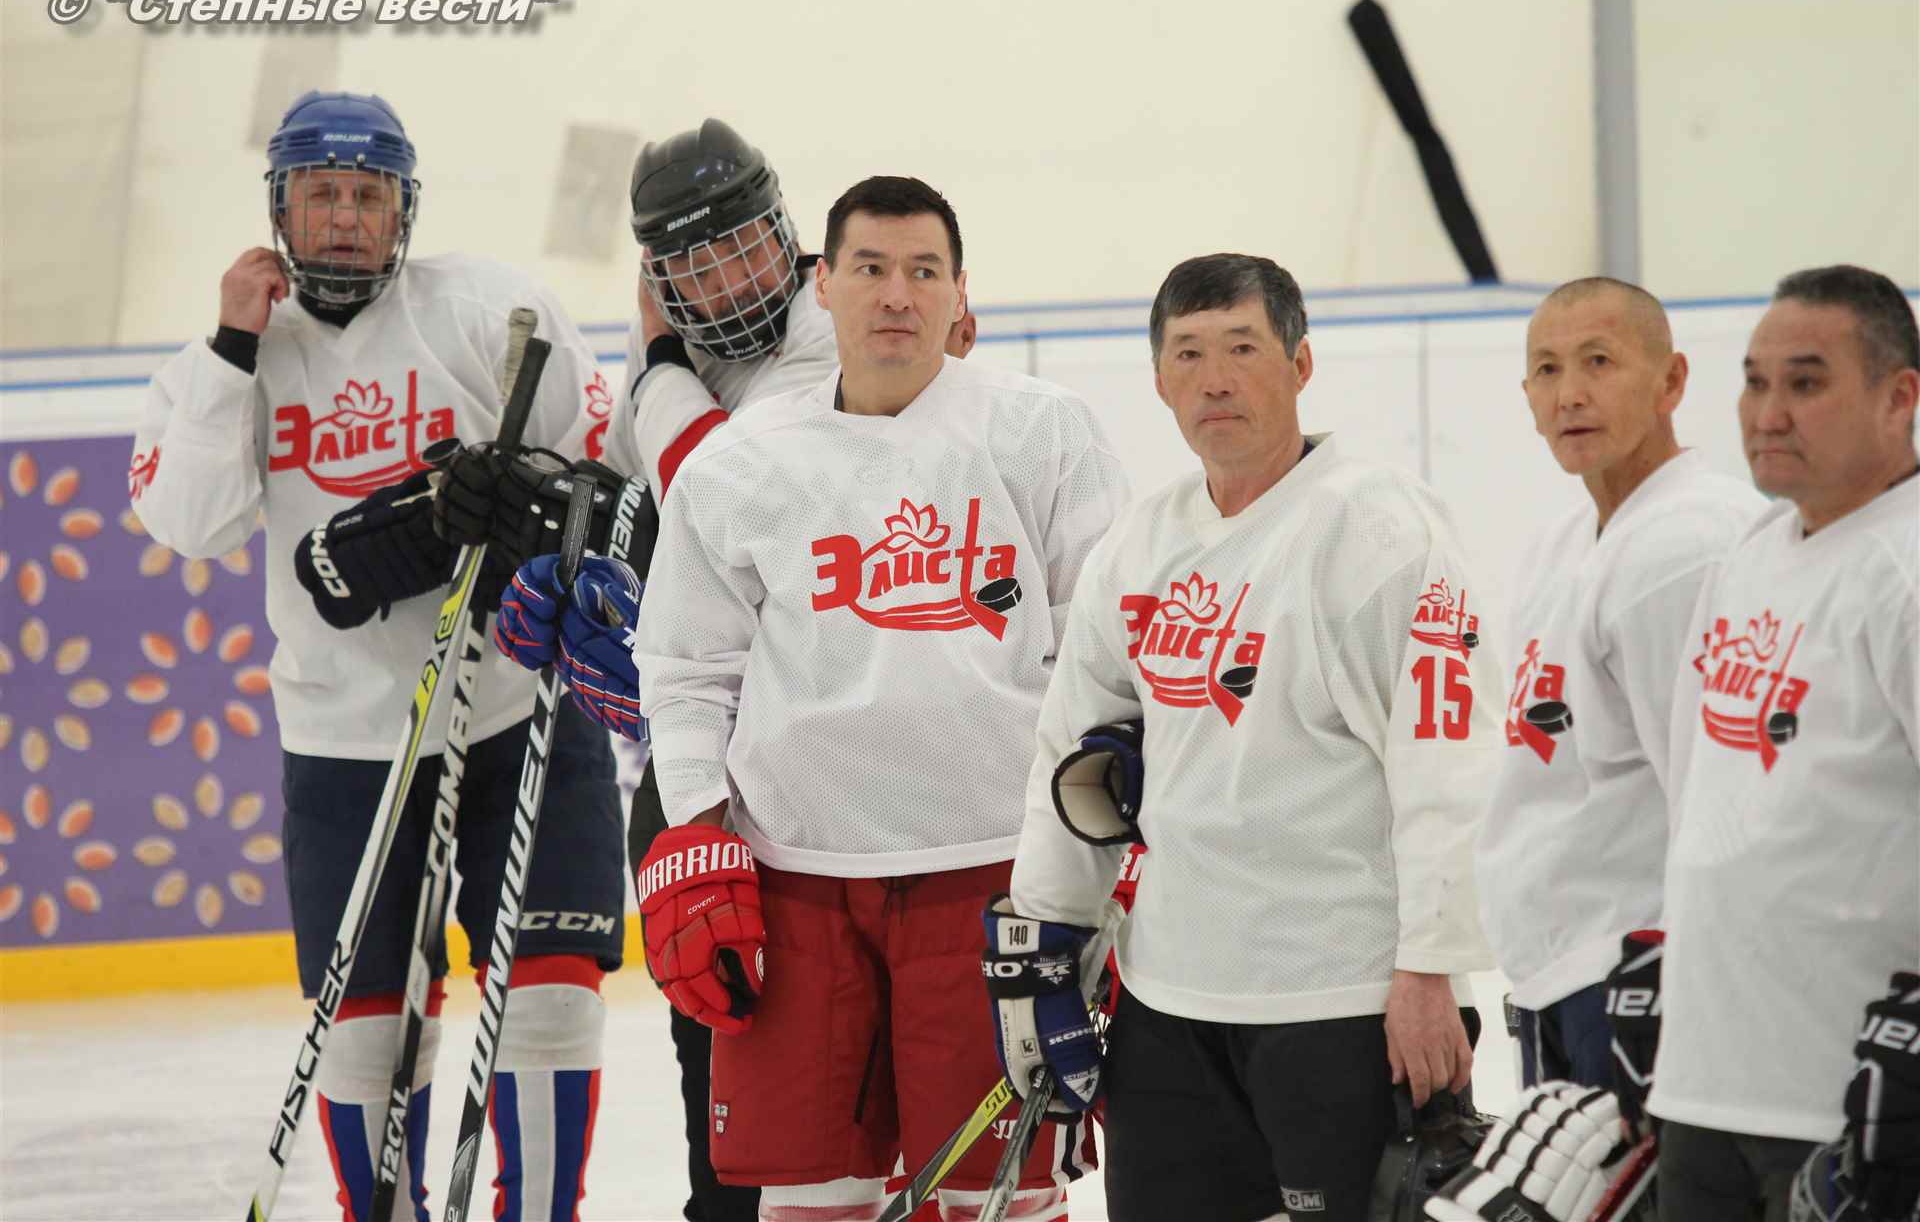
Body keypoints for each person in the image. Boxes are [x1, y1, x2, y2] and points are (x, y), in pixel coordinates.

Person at [507, 175, 1128, 1222]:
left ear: (960, 292)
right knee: (810, 1195)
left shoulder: (1043, 433)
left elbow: (1102, 655)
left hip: (993, 881)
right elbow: (687, 670)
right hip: (796, 889)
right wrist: (696, 828)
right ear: (824, 286)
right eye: (871, 268)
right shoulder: (743, 461)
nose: (897, 294)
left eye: (924, 270)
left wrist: (1097, 854)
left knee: (997, 1194)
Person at [128, 91, 625, 1222]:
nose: (346, 218)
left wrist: (537, 510)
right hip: (345, 739)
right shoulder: (242, 355)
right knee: (363, 1034)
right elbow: (189, 521)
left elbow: (604, 462)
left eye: (369, 195)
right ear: (281, 208)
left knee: (549, 1003)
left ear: (404, 210)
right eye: (322, 195)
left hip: (515, 706)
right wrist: (230, 348)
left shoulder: (489, 309)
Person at [986, 253, 1504, 1222]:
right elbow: (1074, 754)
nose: (1215, 379)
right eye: (1189, 353)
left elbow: (1448, 757)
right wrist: (1047, 945)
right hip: (1168, 1003)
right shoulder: (1139, 545)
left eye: (1242, 348)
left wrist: (1432, 965)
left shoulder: (1380, 530)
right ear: (1159, 379)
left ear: (1300, 365)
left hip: (1343, 999)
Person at [1647, 265, 1919, 1220]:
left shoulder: (1906, 567)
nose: (1768, 413)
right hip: (1705, 1085)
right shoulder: (1752, 554)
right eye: (1755, 382)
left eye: (1806, 383)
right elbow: (1699, 800)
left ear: (1900, 397)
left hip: (1856, 1107)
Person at [1477, 277, 1765, 1089]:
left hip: (1647, 977)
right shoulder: (1561, 543)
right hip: (1563, 977)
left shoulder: (1689, 546)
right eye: (1547, 369)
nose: (1570, 393)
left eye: (1598, 361)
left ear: (1671, 381)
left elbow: (1721, 799)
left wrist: (1686, 978)